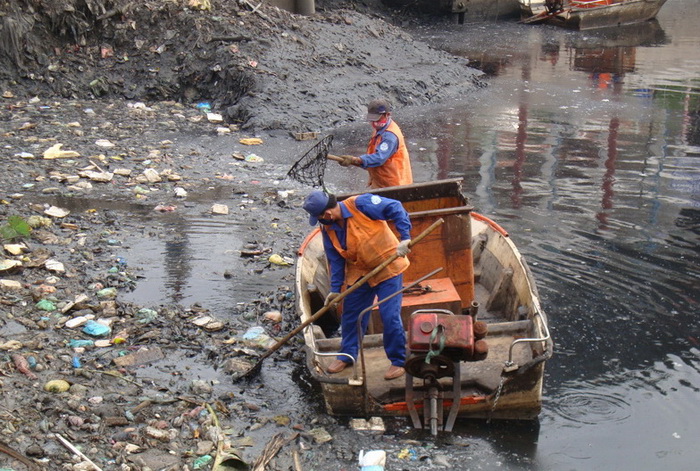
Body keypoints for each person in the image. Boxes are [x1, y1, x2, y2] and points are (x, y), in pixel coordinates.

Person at [302, 189, 412, 380]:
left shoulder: (361, 204)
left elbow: (395, 207)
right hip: (360, 272)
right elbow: (335, 261)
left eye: (318, 217)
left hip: (388, 267)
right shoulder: (327, 229)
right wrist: (335, 290)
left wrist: (405, 238)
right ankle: (347, 354)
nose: (320, 221)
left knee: (389, 315)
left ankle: (398, 360)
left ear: (326, 214)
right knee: (351, 314)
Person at [337, 99, 413, 189]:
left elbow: (379, 158)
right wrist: (355, 161)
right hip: (381, 183)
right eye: (372, 120)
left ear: (387, 115)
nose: (374, 123)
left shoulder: (390, 136)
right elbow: (372, 158)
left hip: (395, 186)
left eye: (377, 120)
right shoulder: (379, 129)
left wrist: (356, 160)